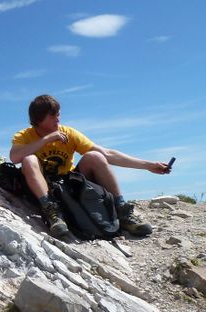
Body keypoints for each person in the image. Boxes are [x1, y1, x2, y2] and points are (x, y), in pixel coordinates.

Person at [9, 94, 170, 238]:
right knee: (28, 160)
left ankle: (122, 212)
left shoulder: (68, 133)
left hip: (68, 184)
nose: (58, 119)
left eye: (58, 114)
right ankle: (53, 213)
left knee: (94, 156)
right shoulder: (24, 136)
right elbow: (15, 157)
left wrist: (148, 165)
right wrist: (47, 139)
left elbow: (107, 154)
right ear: (38, 119)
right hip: (44, 187)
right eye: (53, 116)